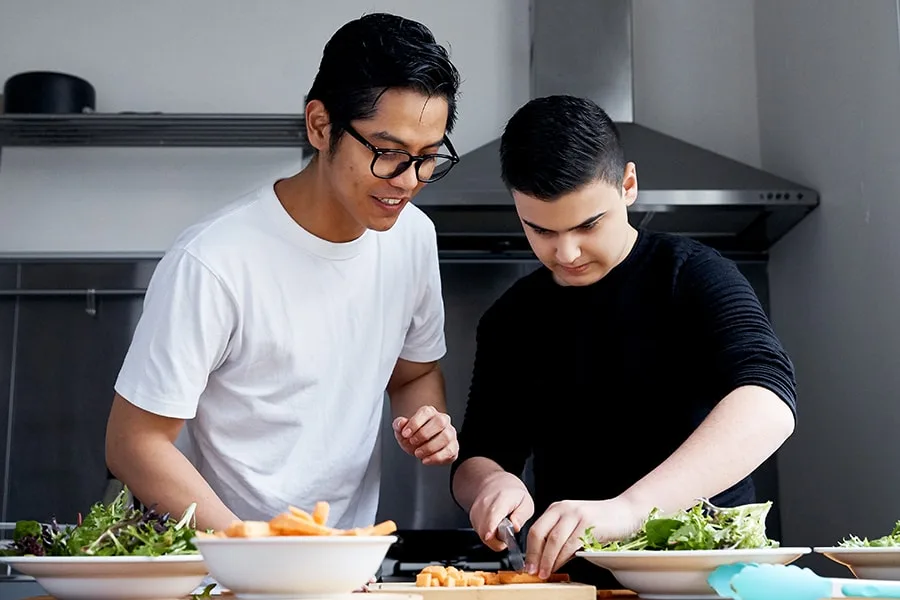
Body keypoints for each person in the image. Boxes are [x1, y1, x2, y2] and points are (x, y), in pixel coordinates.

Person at [105, 12, 463, 534]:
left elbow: (414, 373)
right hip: (220, 570)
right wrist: (241, 541)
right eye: (388, 153)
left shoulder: (413, 238)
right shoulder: (214, 260)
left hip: (343, 565)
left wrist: (426, 421)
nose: (408, 181)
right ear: (321, 126)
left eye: (428, 157)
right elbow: (132, 443)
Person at [449, 95, 797, 588]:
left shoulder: (694, 274)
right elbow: (479, 453)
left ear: (628, 185)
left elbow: (769, 403)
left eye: (588, 225)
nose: (565, 252)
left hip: (711, 576)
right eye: (540, 230)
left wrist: (630, 509)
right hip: (583, 586)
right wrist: (489, 482)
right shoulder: (512, 317)